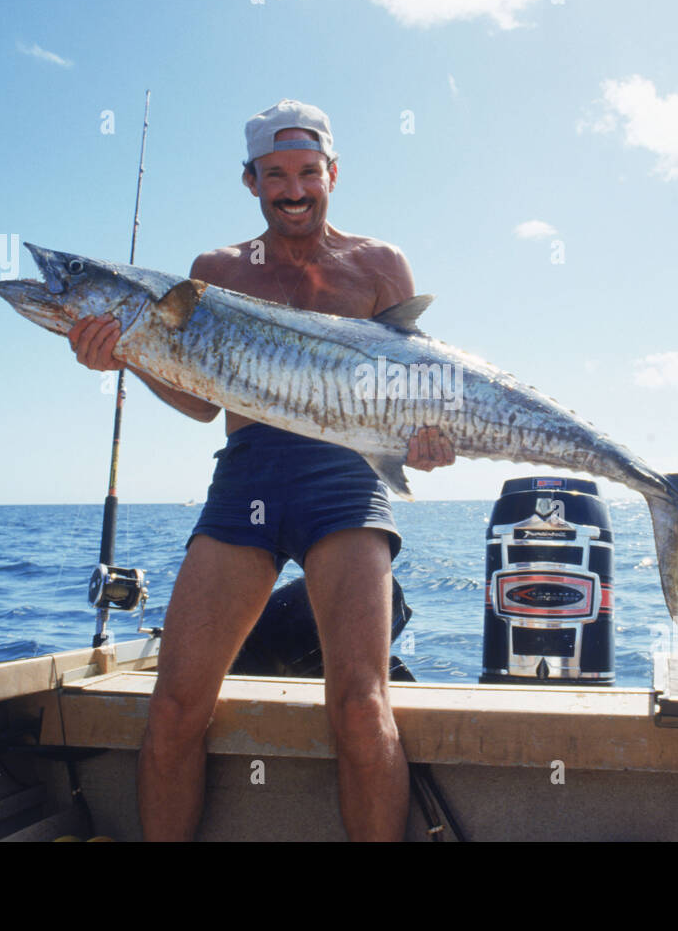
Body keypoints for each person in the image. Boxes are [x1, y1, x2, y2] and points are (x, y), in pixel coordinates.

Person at [67, 99, 454, 841]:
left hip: (345, 478)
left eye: (308, 171)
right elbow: (201, 405)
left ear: (333, 173)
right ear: (250, 182)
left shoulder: (380, 265)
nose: (294, 189)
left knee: (361, 707)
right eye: (275, 174)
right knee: (176, 706)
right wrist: (127, 356)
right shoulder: (214, 270)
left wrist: (425, 440)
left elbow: (420, 387)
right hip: (246, 476)